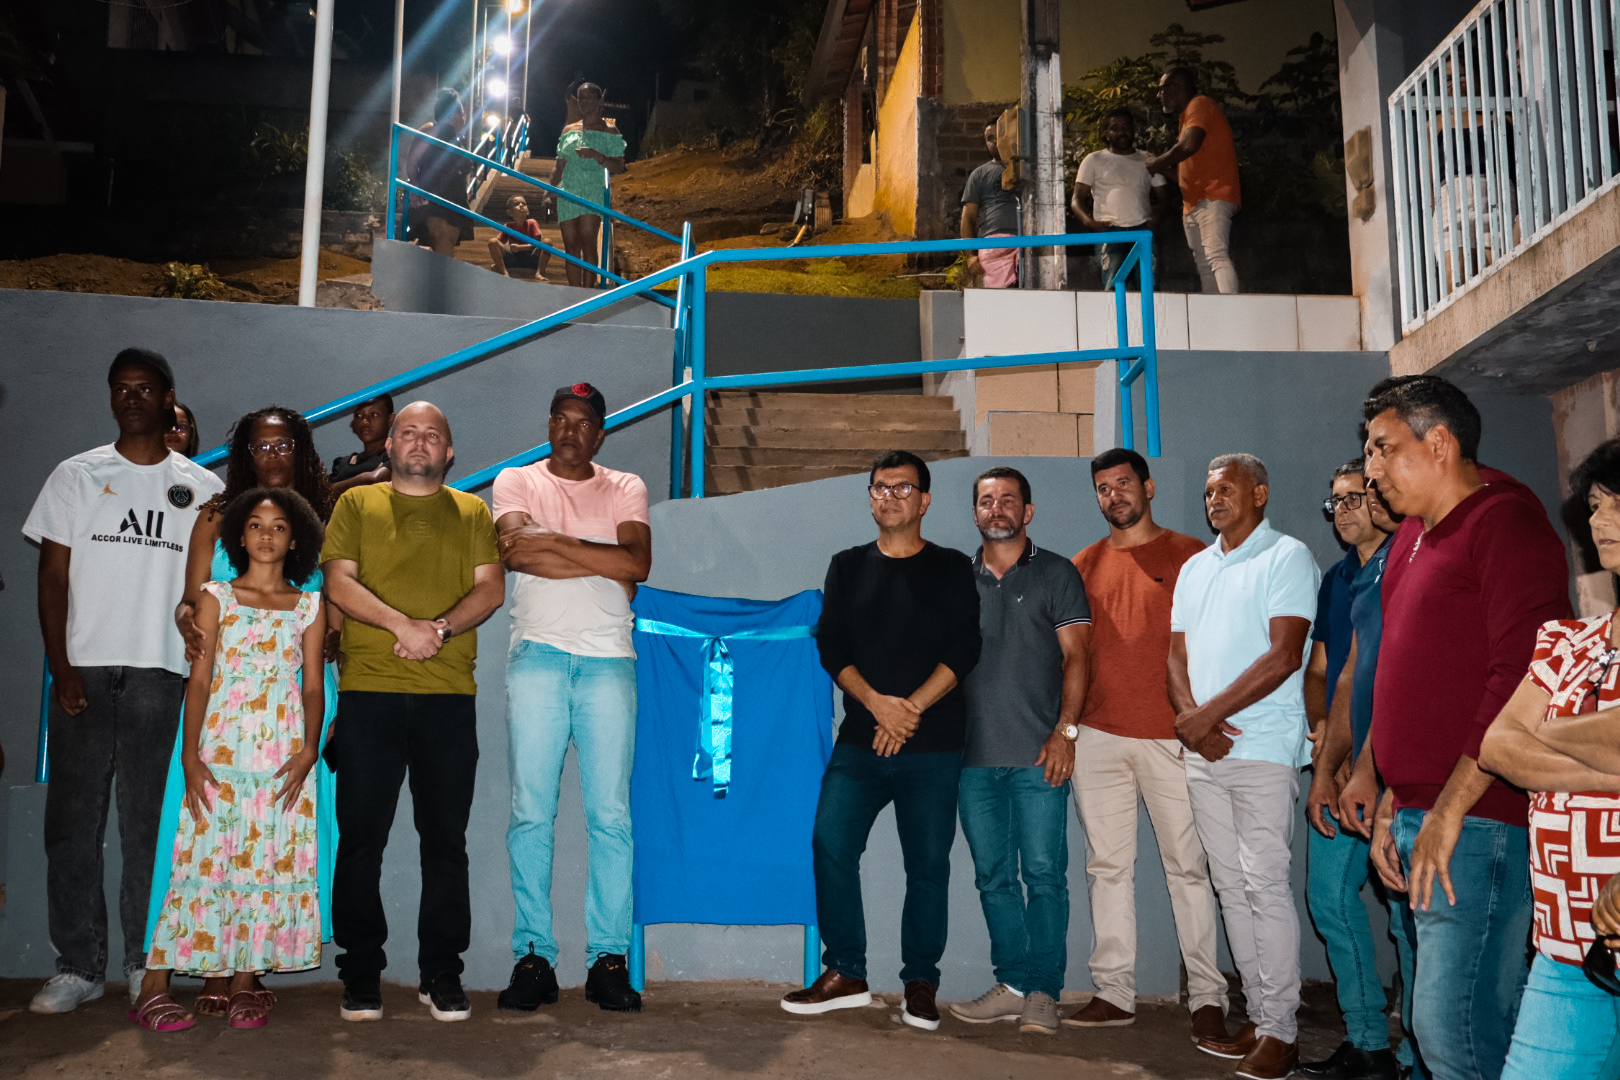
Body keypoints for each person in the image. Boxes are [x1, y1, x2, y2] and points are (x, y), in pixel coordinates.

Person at [1340, 375, 1569, 1080]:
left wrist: (1447, 809)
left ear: (1438, 442)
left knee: (1455, 1029)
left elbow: (1525, 679)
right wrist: (1390, 792)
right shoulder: (1413, 534)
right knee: (1446, 1025)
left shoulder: (1505, 522)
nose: (1371, 470)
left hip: (1477, 820)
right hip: (1422, 810)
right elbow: (1401, 676)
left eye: (1383, 448)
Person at [24, 348, 224, 1015]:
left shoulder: (203, 488)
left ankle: (146, 964)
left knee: (149, 828)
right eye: (120, 388)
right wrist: (60, 666)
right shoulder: (76, 475)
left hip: (162, 675)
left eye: (144, 388)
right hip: (83, 670)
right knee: (72, 825)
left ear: (169, 397)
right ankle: (79, 967)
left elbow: (214, 593)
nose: (131, 398)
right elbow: (52, 577)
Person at [148, 404, 338, 1019]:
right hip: (224, 708)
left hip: (291, 704)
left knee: (273, 837)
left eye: (285, 446)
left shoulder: (323, 517)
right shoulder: (214, 515)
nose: (273, 455)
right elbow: (191, 603)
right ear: (245, 452)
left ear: (301, 450)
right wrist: (188, 620)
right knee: (206, 834)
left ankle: (245, 971)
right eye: (261, 445)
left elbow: (330, 615)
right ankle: (204, 961)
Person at [781, 451, 981, 1031]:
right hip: (861, 742)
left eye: (902, 488)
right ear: (869, 498)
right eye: (879, 488)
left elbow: (965, 647)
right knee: (830, 842)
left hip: (933, 742)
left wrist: (910, 709)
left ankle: (920, 981)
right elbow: (832, 646)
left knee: (928, 865)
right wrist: (879, 706)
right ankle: (847, 971)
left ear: (925, 500)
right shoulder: (846, 566)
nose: (889, 496)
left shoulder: (951, 567)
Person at [320, 401, 504, 1023]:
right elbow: (338, 583)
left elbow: (491, 588)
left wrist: (439, 630)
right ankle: (360, 973)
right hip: (368, 694)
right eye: (408, 432)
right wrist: (405, 626)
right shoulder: (355, 504)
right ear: (391, 446)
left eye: (432, 434)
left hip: (448, 698)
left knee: (446, 843)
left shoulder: (473, 511)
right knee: (360, 841)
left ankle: (441, 973)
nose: (420, 442)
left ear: (449, 452)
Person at [490, 382, 651, 1014]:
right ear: (549, 423)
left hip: (609, 660)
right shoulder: (517, 480)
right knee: (531, 813)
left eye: (583, 422)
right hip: (537, 658)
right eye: (561, 418)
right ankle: (534, 957)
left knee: (610, 817)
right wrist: (601, 558)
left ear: (600, 434)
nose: (570, 430)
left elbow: (637, 565)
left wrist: (553, 540)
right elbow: (516, 554)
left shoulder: (625, 486)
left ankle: (608, 960)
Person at [1065, 448, 1227, 1040]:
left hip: (1172, 738)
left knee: (1189, 868)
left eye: (1124, 483)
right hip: (1098, 738)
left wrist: (1206, 718)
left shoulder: (1192, 555)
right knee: (1106, 868)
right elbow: (1073, 655)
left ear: (1149, 487)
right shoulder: (1083, 564)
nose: (1114, 495)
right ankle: (1114, 993)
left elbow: (1217, 641)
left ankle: (1208, 996)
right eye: (1103, 488)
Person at [1169, 452, 1320, 1078]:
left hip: (1260, 748)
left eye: (1226, 489)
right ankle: (1259, 1017)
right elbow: (1175, 657)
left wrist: (1208, 715)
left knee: (1264, 885)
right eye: (1209, 492)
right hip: (1203, 750)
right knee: (1229, 886)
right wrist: (1192, 721)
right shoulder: (1195, 567)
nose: (1214, 500)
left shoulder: (1287, 556)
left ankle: (1282, 1032)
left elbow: (1285, 655)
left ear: (1259, 493)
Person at [1478, 437, 1620, 1078]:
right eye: (1595, 505)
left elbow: (1528, 736)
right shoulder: (1569, 641)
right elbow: (1499, 746)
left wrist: (1547, 728)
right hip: (1565, 941)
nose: (1599, 519)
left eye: (1616, 503)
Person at [948, 467, 1089, 1037]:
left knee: (1045, 875)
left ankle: (1043, 992)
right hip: (971, 760)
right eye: (987, 501)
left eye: (1008, 500)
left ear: (1027, 511)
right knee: (993, 878)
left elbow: (1078, 657)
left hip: (1040, 755)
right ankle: (1010, 984)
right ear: (975, 513)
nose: (997, 508)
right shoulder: (957, 579)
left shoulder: (1057, 573)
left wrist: (1066, 732)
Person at [1297, 459, 1402, 1080]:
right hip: (1339, 768)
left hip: (1399, 772)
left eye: (1355, 496)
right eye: (1334, 501)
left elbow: (1395, 678)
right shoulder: (1338, 579)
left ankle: (1417, 1053)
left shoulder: (1405, 565)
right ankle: (1368, 1045)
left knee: (1408, 918)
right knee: (1330, 901)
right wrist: (1326, 753)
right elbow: (1322, 674)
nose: (1343, 509)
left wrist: (1366, 766)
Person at [1148, 67, 1241, 294]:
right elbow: (1185, 171)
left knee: (1216, 255)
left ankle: (1232, 307)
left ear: (1176, 87)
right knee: (1204, 263)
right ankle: (1212, 309)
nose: (1159, 95)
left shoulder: (1200, 104)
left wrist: (1157, 163)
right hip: (1194, 203)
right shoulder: (1186, 116)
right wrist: (1160, 169)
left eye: (1161, 89)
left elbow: (1188, 145)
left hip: (1213, 195)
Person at [1071, 108, 1168, 289]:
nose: (1122, 132)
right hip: (1110, 232)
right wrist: (1090, 223)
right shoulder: (1094, 160)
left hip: (1143, 231)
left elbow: (1164, 197)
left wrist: (1155, 218)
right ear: (1106, 133)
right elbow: (1076, 200)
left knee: (1149, 289)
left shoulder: (1148, 159)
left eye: (1126, 127)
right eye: (1115, 128)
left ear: (1134, 130)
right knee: (1114, 289)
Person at [549, 83, 625, 288]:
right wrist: (549, 191)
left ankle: (587, 292)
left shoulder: (609, 130)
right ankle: (574, 293)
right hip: (568, 190)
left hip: (592, 189)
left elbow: (619, 166)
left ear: (600, 101)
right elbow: (559, 166)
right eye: (581, 98)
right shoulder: (569, 130)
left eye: (590, 97)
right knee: (570, 245)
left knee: (587, 239)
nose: (585, 102)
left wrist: (597, 155)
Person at [407, 88, 474, 257]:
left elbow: (461, 170)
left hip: (455, 197)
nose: (464, 117)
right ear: (454, 114)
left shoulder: (457, 139)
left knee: (447, 243)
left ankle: (439, 274)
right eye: (462, 112)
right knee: (441, 239)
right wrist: (414, 186)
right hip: (432, 194)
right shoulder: (430, 130)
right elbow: (412, 160)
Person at [961, 119, 1020, 289]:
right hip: (993, 246)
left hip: (1026, 241)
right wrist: (971, 256)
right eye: (989, 138)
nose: (994, 141)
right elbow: (968, 218)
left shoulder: (1026, 168)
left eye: (998, 135)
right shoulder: (979, 174)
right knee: (998, 298)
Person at [329, 394, 394, 498]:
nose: (364, 421)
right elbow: (324, 494)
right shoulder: (341, 463)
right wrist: (363, 479)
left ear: (390, 419)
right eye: (359, 415)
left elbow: (374, 479)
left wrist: (336, 488)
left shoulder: (395, 457)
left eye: (374, 414)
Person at [489, 194, 551, 280]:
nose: (521, 205)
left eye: (524, 204)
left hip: (531, 257)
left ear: (527, 211)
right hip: (513, 258)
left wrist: (519, 248)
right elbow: (498, 243)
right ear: (509, 213)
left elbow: (536, 244)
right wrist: (499, 257)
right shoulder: (508, 226)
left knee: (547, 242)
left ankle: (540, 272)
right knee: (492, 242)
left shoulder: (532, 223)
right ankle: (503, 271)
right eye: (516, 204)